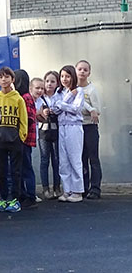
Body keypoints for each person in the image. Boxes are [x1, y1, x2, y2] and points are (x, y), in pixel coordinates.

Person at [0, 67, 27, 214]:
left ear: (12, 79)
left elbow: (24, 119)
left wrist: (21, 136)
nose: (4, 79)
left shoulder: (18, 98)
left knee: (15, 171)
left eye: (7, 77)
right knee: (1, 170)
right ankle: (3, 198)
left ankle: (15, 199)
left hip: (14, 139)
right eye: (1, 77)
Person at [51, 65, 84, 203]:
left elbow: (76, 108)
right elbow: (54, 109)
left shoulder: (79, 90)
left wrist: (61, 104)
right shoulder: (58, 92)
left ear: (73, 77)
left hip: (74, 127)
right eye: (62, 76)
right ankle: (67, 190)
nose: (64, 79)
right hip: (62, 127)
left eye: (67, 76)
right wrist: (64, 102)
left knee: (74, 158)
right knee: (63, 161)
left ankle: (77, 191)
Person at [76, 60, 102, 199]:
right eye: (80, 69)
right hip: (76, 127)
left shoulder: (91, 90)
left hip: (90, 127)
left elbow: (97, 110)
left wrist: (88, 110)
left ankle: (95, 188)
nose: (82, 72)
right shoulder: (73, 89)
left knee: (93, 158)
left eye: (85, 70)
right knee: (81, 158)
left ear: (89, 73)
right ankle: (83, 187)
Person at [15, 69, 38, 208]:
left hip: (25, 137)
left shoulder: (25, 97)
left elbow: (29, 118)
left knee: (26, 167)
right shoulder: (21, 96)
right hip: (21, 138)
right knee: (21, 167)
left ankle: (30, 195)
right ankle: (22, 193)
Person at [37, 71, 61, 199]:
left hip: (57, 131)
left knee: (57, 160)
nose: (49, 84)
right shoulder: (40, 97)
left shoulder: (60, 96)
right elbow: (35, 111)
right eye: (47, 81)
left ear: (57, 83)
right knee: (44, 159)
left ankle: (57, 187)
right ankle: (45, 189)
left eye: (52, 81)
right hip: (44, 132)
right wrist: (43, 112)